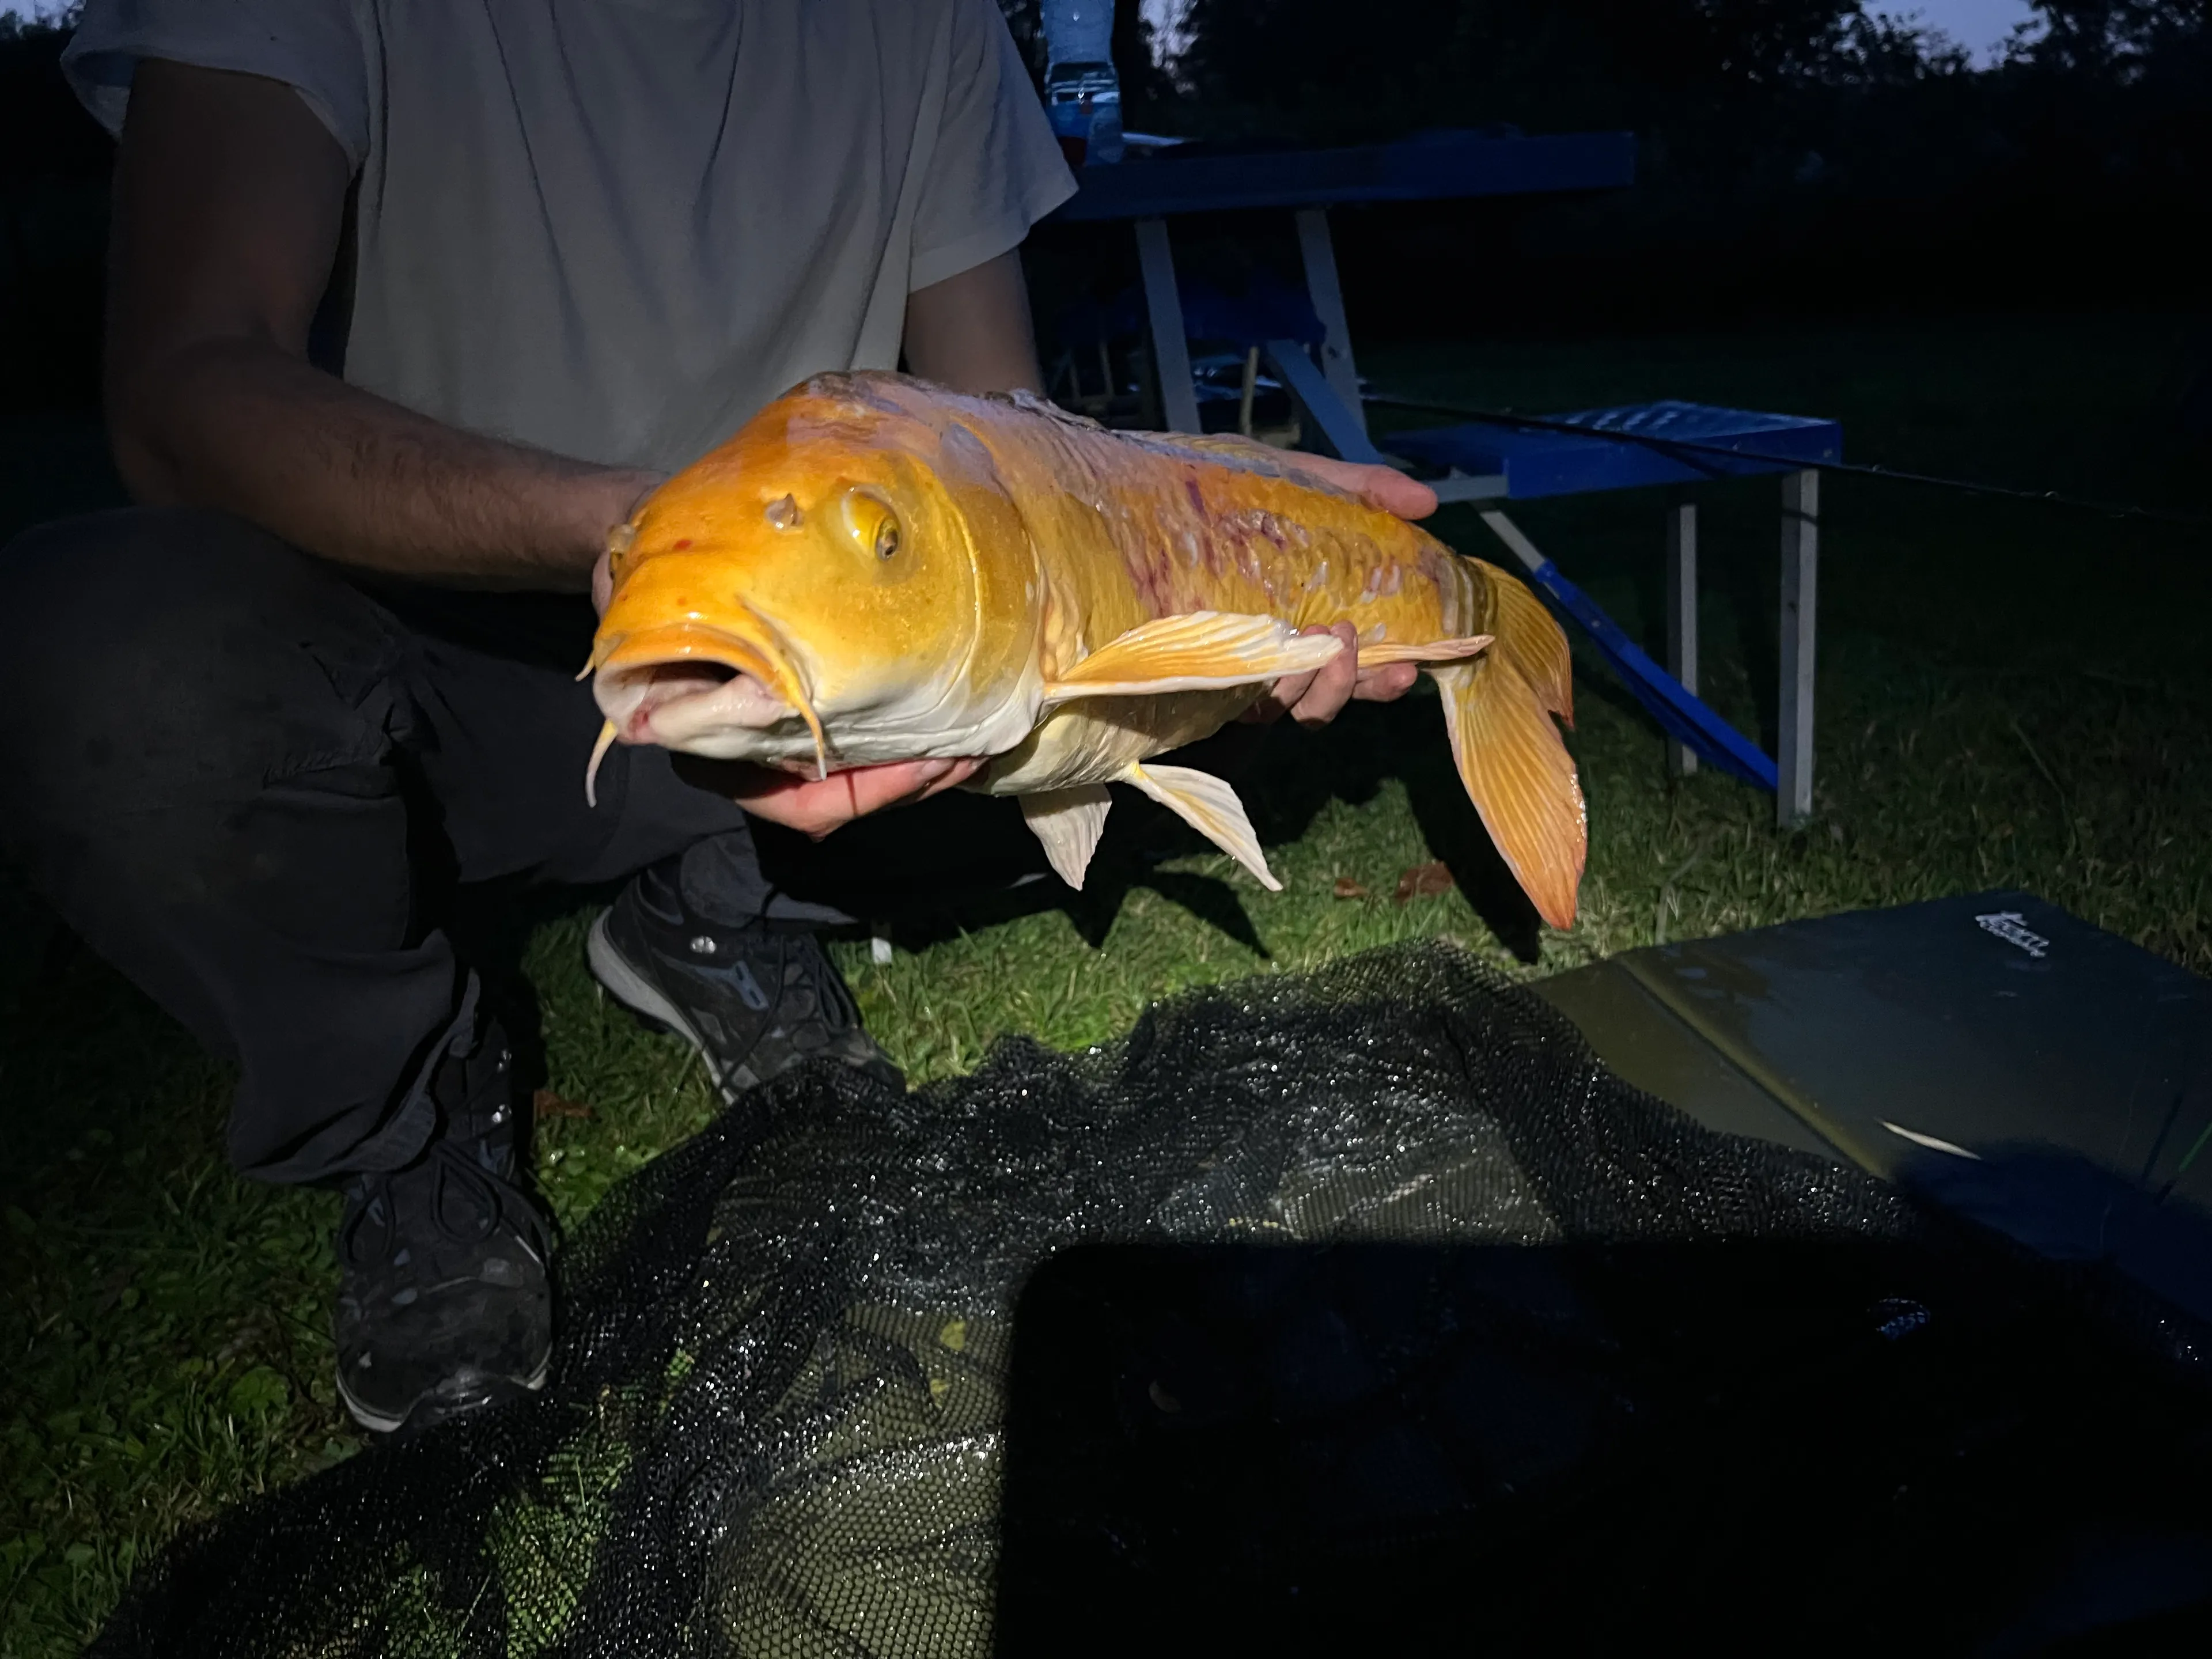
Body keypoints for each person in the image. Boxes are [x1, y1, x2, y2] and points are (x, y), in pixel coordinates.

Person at [0, 0, 1432, 1437]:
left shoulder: (928, 18)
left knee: (1110, 686)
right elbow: (185, 387)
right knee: (98, 649)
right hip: (418, 660)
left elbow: (1000, 423)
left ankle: (715, 907)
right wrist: (636, 536)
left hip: (829, 667)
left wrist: (1194, 515)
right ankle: (411, 1114)